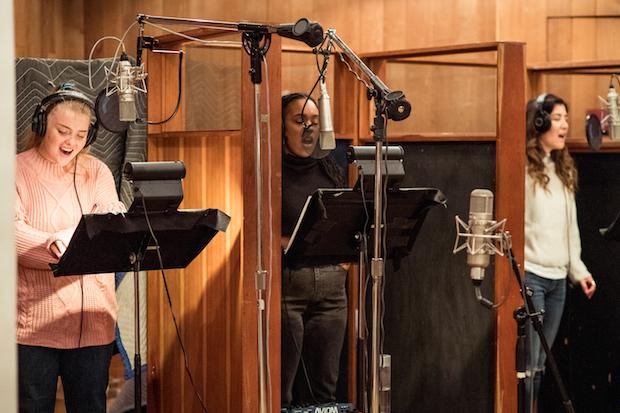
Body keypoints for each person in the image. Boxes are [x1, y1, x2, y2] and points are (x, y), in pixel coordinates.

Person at [15, 83, 125, 413]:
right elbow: (12, 235)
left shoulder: (97, 171)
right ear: (40, 127)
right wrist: (57, 246)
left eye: (80, 135)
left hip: (93, 324)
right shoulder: (14, 169)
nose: (71, 143)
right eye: (62, 131)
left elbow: (109, 222)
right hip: (33, 327)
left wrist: (66, 237)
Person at [524, 93, 597, 412]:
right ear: (538, 122)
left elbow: (570, 228)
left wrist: (578, 271)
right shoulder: (525, 171)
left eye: (566, 118)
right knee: (529, 366)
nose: (564, 125)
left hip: (558, 282)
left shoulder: (562, 169)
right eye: (556, 118)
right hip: (533, 277)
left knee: (541, 366)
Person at [280, 92, 348, 408]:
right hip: (289, 287)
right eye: (299, 121)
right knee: (283, 389)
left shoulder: (329, 167)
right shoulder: (272, 170)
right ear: (282, 126)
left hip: (332, 292)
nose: (308, 128)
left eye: (314, 121)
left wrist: (345, 262)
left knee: (324, 394)